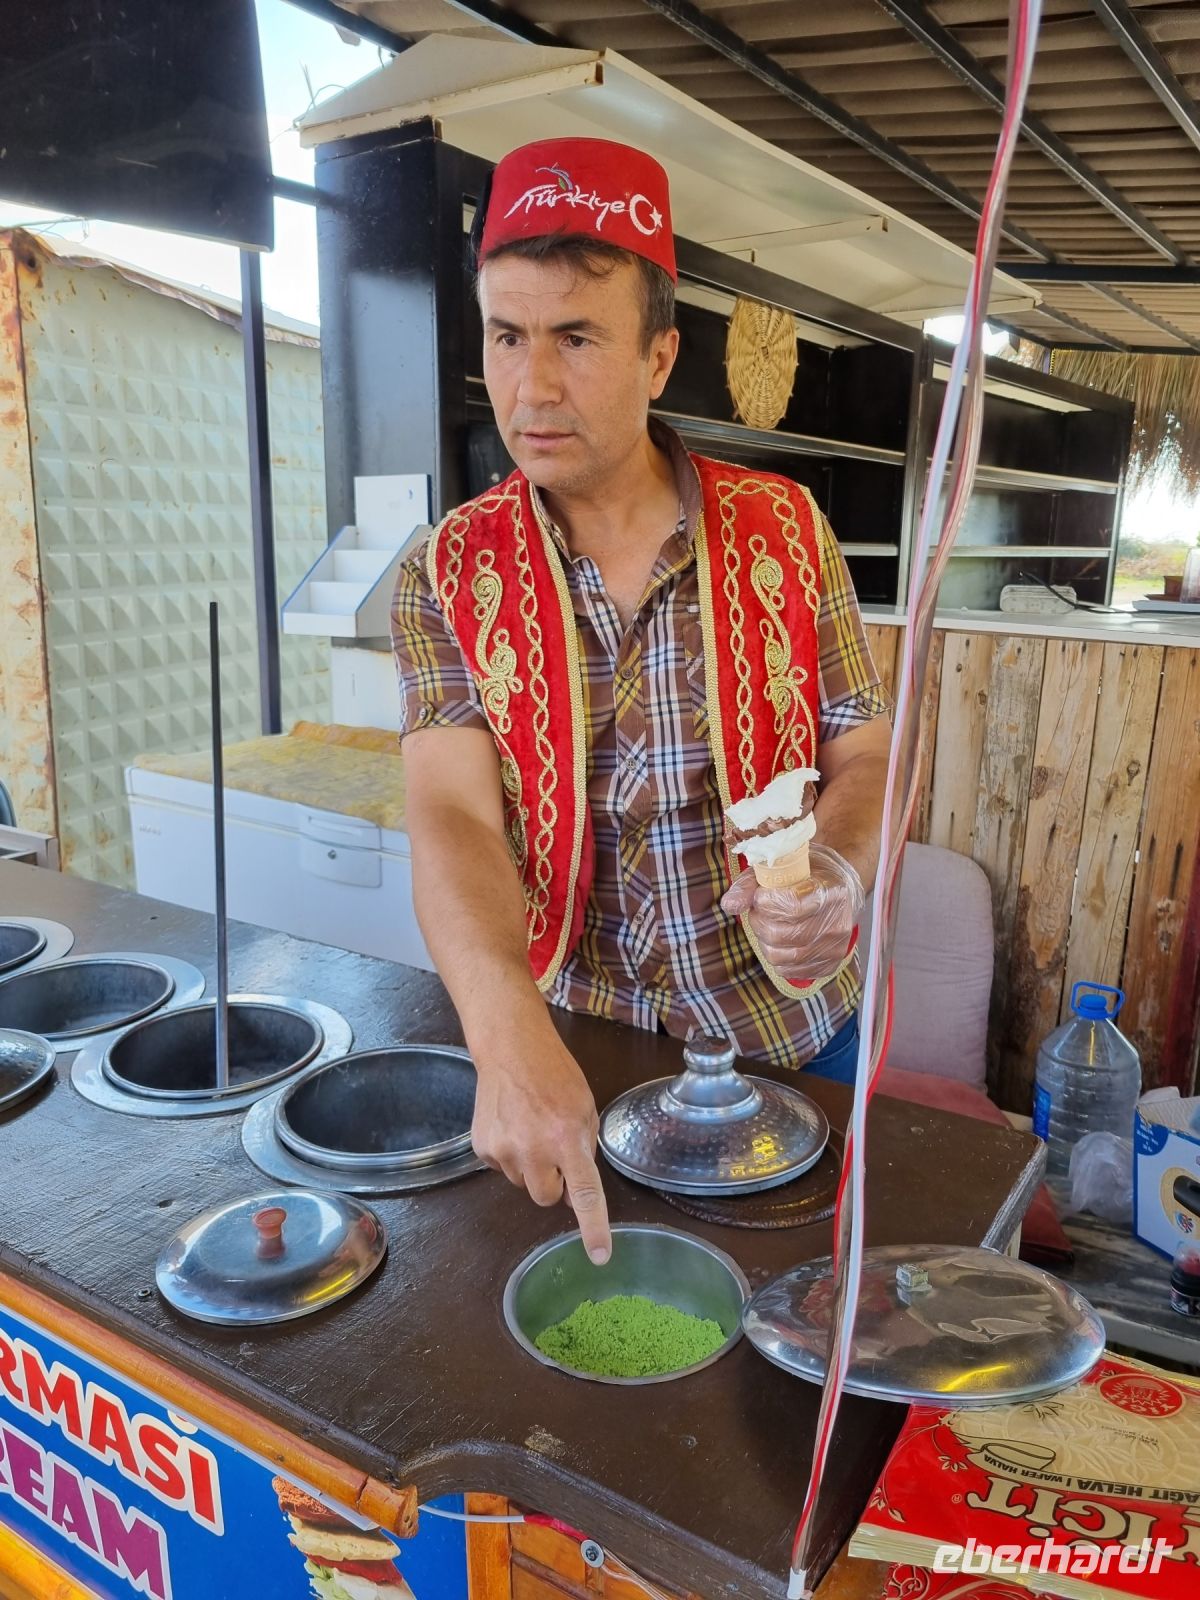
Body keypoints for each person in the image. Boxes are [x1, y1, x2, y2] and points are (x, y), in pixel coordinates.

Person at [391, 137, 891, 1267]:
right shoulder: (446, 572)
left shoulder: (788, 529)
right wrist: (504, 1027)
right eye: (508, 336)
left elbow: (865, 744)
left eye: (577, 336)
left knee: (798, 1330)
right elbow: (453, 815)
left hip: (798, 1029)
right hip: (584, 1046)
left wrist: (844, 875)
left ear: (661, 355)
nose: (533, 385)